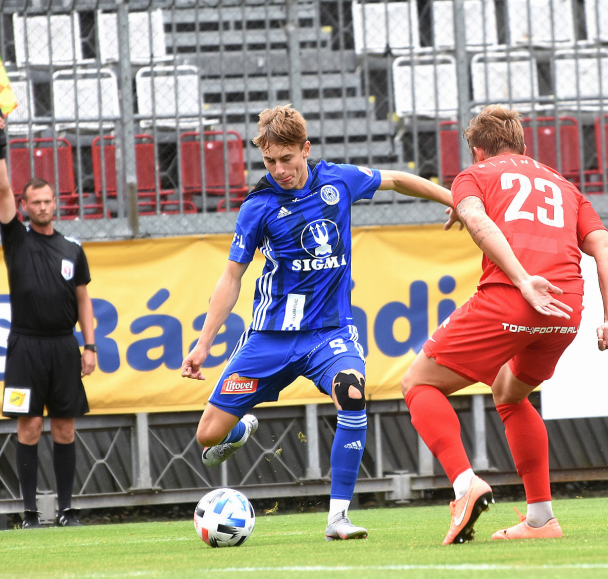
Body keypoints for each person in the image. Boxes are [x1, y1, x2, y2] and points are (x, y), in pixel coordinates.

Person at [181, 105, 454, 541]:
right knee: (208, 436)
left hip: (330, 332)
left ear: (305, 149)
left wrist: (455, 200)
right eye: (269, 161)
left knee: (352, 391)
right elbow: (231, 277)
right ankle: (240, 428)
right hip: (270, 337)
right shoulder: (258, 206)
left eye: (286, 159)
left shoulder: (338, 181)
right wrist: (203, 343)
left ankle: (338, 517)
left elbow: (398, 180)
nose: (279, 170)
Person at [401, 105, 608, 545]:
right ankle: (541, 519)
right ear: (522, 145)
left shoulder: (474, 175)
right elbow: (605, 246)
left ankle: (464, 486)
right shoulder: (564, 186)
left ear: (477, 150)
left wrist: (522, 279)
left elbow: (478, 217)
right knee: (509, 394)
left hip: (514, 298)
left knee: (418, 383)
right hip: (565, 309)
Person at [0, 111, 97, 529]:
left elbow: (84, 300)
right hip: (26, 347)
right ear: (25, 206)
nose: (43, 207)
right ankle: (30, 513)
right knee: (30, 426)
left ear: (56, 203)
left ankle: (67, 510)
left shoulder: (73, 249)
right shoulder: (16, 239)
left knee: (65, 427)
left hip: (63, 346)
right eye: (35, 202)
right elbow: (1, 188)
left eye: (48, 201)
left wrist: (89, 345)